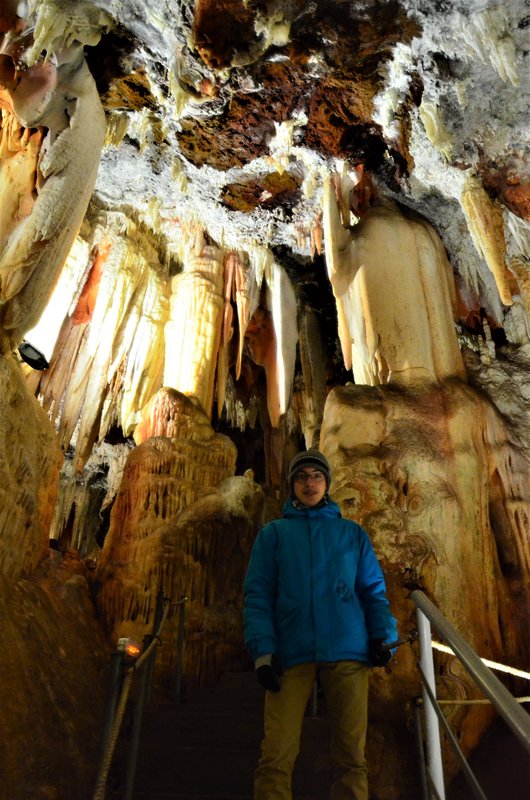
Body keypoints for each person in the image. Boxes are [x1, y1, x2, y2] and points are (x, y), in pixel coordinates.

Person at [243, 449, 398, 800]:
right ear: (292, 485)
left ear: (326, 483)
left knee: (350, 756)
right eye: (301, 476)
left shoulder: (351, 535)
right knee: (275, 755)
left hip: (347, 650)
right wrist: (263, 653)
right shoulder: (274, 535)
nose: (309, 483)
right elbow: (258, 597)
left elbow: (373, 591)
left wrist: (382, 636)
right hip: (289, 653)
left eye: (316, 476)